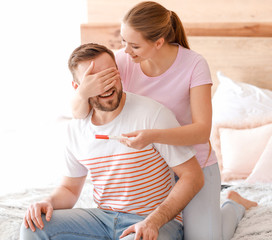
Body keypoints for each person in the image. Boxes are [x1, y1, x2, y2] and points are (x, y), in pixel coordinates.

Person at [70, 2, 258, 240]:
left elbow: (201, 131)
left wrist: (152, 135)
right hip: (150, 170)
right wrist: (82, 92)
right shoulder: (124, 60)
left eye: (135, 45)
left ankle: (233, 203)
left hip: (193, 166)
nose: (126, 51)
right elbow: (79, 114)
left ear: (158, 42)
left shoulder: (194, 64)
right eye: (123, 41)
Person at [20, 43, 205, 240]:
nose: (106, 84)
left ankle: (233, 205)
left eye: (109, 75)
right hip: (103, 219)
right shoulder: (76, 129)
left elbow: (192, 177)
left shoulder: (152, 115)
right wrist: (48, 202)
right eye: (93, 80)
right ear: (78, 88)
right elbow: (69, 189)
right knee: (33, 227)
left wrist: (153, 221)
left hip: (152, 220)